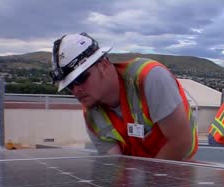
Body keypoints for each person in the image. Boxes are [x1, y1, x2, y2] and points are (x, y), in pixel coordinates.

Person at [49, 32, 197, 160]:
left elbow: (181, 141)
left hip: (178, 168)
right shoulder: (92, 117)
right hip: (140, 176)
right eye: (69, 86)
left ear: (104, 65)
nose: (76, 90)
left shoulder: (149, 78)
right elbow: (116, 166)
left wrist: (150, 186)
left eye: (80, 79)